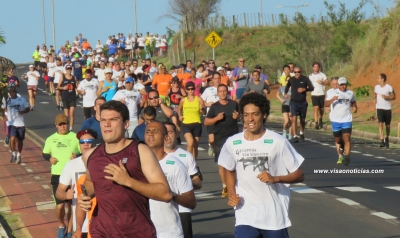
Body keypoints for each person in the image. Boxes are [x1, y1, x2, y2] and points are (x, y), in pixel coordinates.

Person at [77, 101, 172, 237]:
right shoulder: (90, 155)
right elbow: (91, 184)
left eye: (113, 120)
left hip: (137, 232)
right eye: (103, 120)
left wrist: (128, 181)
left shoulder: (140, 150)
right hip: (101, 231)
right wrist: (84, 197)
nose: (107, 124)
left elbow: (165, 193)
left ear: (126, 124)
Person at [218, 93, 305, 238]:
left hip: (274, 217)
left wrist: (275, 179)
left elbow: (299, 175)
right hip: (245, 214)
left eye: (255, 114)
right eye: (246, 115)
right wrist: (231, 193)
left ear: (264, 115)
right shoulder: (233, 142)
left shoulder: (278, 141)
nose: (250, 119)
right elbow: (229, 168)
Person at [145, 121, 196, 238]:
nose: (151, 134)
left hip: (169, 233)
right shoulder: (137, 164)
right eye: (148, 131)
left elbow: (191, 202)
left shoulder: (175, 165)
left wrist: (170, 195)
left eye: (155, 131)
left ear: (165, 137)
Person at [42, 114, 80, 238]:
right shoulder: (50, 139)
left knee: (71, 205)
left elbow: (81, 152)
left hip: (72, 174)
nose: (63, 126)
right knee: (60, 206)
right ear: (56, 125)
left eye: (65, 124)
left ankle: (69, 230)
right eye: (60, 124)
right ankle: (61, 224)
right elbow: (45, 153)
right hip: (57, 175)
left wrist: (77, 157)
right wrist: (50, 159)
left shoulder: (75, 137)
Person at [56, 129, 98, 238]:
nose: (86, 144)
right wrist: (66, 195)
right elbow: (59, 192)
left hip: (101, 221)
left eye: (89, 141)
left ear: (95, 143)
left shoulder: (103, 162)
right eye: (82, 142)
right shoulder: (71, 165)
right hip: (81, 225)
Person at [204, 84, 239, 197]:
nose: (223, 93)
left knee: (236, 163)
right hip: (220, 138)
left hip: (234, 137)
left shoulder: (234, 104)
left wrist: (237, 117)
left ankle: (235, 185)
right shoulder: (214, 107)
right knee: (222, 165)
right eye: (220, 91)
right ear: (217, 93)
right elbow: (206, 122)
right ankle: (225, 186)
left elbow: (241, 116)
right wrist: (217, 118)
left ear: (227, 92)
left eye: (224, 91)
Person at [325, 77, 357, 166]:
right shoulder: (332, 93)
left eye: (344, 84)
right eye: (341, 84)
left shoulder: (350, 93)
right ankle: (342, 145)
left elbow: (353, 102)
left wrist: (354, 108)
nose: (343, 86)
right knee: (338, 140)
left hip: (347, 119)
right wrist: (332, 100)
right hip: (335, 120)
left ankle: (347, 156)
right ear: (338, 85)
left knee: (347, 138)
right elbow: (326, 104)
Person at [284, 66, 314, 143]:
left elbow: (312, 88)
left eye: (298, 72)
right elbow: (287, 86)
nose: (297, 73)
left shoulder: (305, 79)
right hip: (294, 102)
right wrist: (285, 93)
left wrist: (304, 89)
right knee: (294, 118)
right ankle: (295, 136)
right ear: (293, 72)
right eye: (295, 72)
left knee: (302, 119)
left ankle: (301, 133)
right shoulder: (292, 79)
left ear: (301, 72)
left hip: (303, 102)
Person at [178, 82, 205, 160]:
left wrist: (202, 109)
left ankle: (194, 163)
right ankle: (188, 162)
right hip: (186, 124)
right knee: (190, 144)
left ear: (194, 89)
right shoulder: (183, 100)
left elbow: (204, 112)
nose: (190, 91)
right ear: (186, 90)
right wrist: (180, 115)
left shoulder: (199, 99)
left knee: (195, 147)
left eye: (192, 89)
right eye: (188, 89)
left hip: (197, 124)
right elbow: (179, 108)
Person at [2, 87, 30, 164]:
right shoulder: (7, 99)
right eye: (11, 91)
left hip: (20, 124)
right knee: (12, 139)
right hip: (11, 123)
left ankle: (19, 155)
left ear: (16, 91)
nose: (12, 93)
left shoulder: (22, 99)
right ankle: (13, 153)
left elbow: (28, 108)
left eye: (14, 91)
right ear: (9, 92)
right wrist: (4, 115)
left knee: (20, 141)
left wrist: (22, 111)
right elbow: (3, 107)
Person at [201, 72, 221, 157]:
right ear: (212, 80)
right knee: (211, 137)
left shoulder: (224, 89)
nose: (217, 80)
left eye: (219, 78)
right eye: (215, 78)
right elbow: (201, 101)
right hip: (211, 115)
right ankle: (211, 146)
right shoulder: (208, 90)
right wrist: (207, 104)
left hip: (221, 115)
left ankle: (220, 149)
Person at [374, 73, 396, 148]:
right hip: (379, 108)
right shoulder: (376, 87)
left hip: (387, 108)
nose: (377, 79)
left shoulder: (389, 87)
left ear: (382, 79)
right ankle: (382, 140)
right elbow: (375, 94)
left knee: (388, 125)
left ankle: (387, 138)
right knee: (380, 123)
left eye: (378, 78)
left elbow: (394, 96)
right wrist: (374, 100)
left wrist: (386, 97)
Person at [309, 62, 329, 130]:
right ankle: (316, 123)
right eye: (315, 67)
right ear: (313, 68)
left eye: (317, 67)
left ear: (319, 67)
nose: (316, 68)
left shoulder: (322, 75)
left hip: (321, 93)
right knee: (316, 108)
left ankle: (320, 118)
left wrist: (322, 82)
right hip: (314, 94)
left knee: (321, 109)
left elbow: (328, 82)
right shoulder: (310, 76)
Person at [58, 65, 78, 131]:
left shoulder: (74, 77)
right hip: (65, 97)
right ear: (66, 70)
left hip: (72, 97)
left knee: (72, 113)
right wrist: (63, 88)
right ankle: (67, 126)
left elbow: (77, 87)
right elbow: (58, 86)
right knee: (66, 115)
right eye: (68, 69)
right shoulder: (62, 77)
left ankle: (71, 127)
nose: (69, 70)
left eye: (70, 69)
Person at [276, 75, 292, 140]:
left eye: (289, 80)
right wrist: (281, 99)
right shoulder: (282, 88)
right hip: (285, 105)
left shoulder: (294, 88)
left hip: (291, 105)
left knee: (291, 121)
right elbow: (277, 94)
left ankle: (290, 133)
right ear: (285, 81)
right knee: (286, 120)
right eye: (287, 80)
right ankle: (284, 130)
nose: (288, 81)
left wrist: (290, 97)